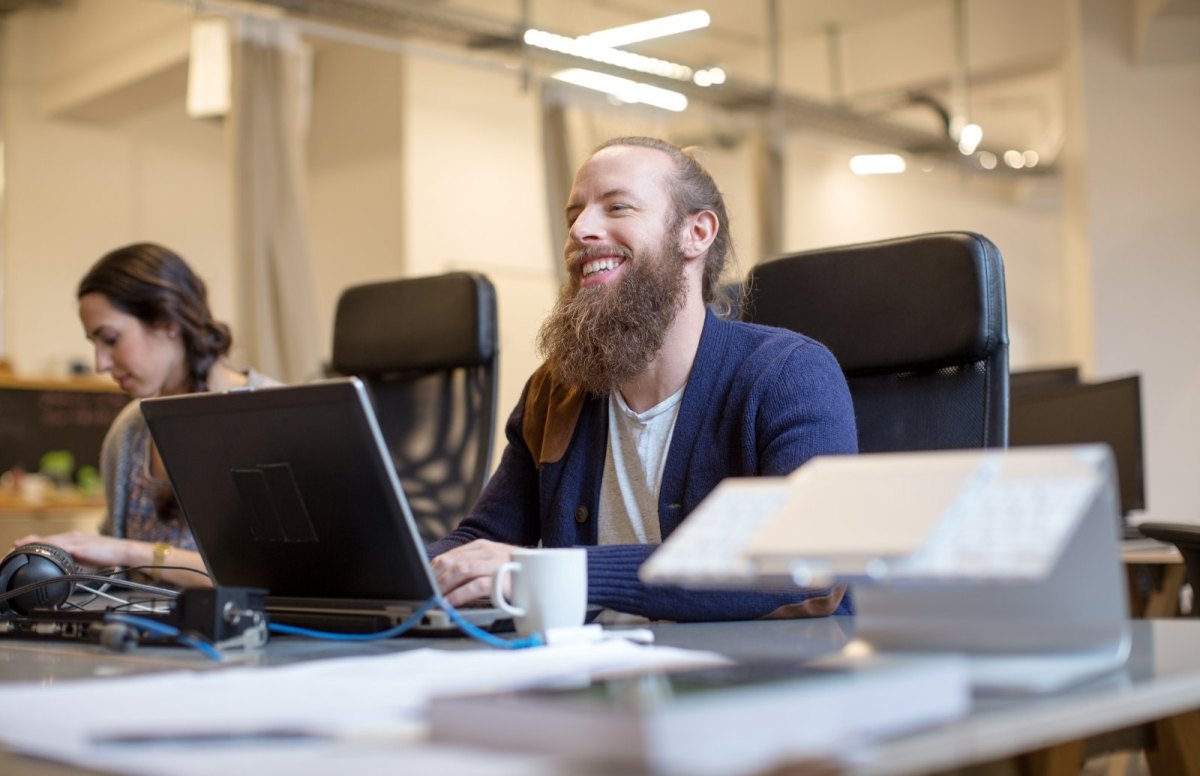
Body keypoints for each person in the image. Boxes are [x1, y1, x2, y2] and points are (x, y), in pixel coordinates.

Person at [430, 137, 858, 622]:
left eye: (617, 207)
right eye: (574, 215)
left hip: (757, 681)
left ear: (696, 232)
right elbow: (485, 540)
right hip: (596, 680)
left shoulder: (789, 374)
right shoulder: (557, 390)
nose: (581, 230)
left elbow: (800, 560)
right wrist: (400, 570)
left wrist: (554, 569)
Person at [15, 243, 278, 587]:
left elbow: (275, 578)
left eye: (110, 339)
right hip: (136, 637)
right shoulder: (129, 431)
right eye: (94, 344)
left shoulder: (273, 413)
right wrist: (62, 556)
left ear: (167, 320)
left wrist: (130, 553)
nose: (100, 363)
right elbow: (117, 570)